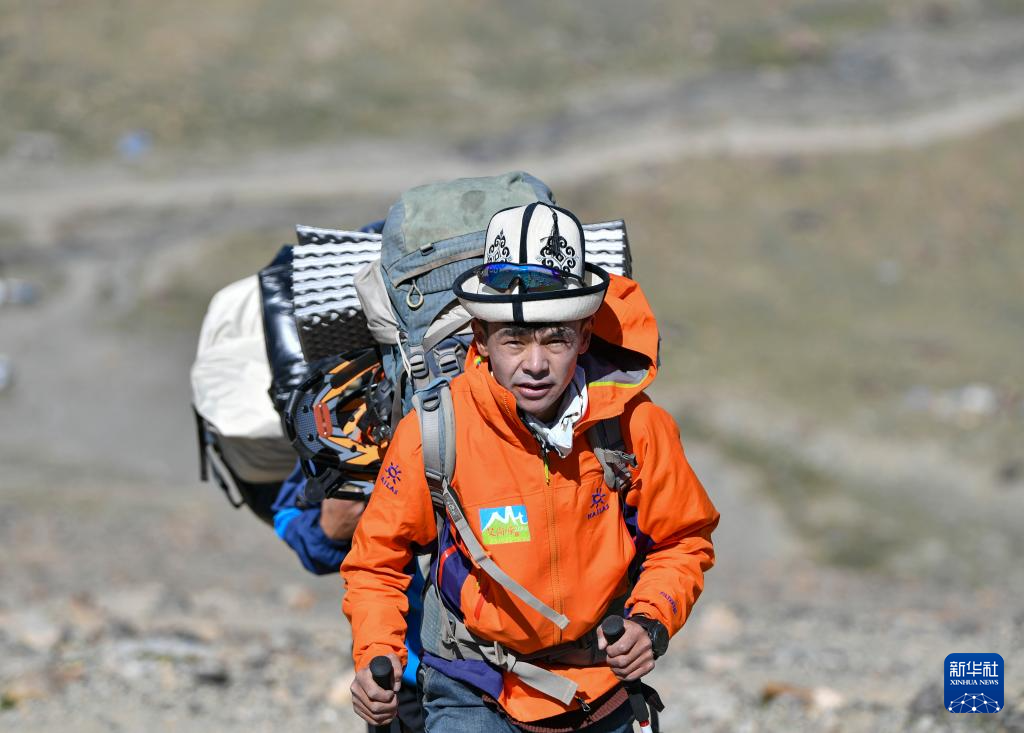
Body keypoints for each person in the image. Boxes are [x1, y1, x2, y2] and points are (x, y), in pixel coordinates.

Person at [341, 202, 719, 732]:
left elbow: (683, 539)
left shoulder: (636, 426)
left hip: (599, 685)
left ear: (584, 337)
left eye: (555, 338)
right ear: (481, 337)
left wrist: (650, 622)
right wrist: (375, 657)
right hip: (472, 681)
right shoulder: (435, 432)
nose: (535, 363)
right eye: (513, 338)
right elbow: (378, 562)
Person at [272, 463, 426, 733]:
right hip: (400, 669)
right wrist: (328, 530)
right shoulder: (360, 430)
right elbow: (288, 514)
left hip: (502, 673)